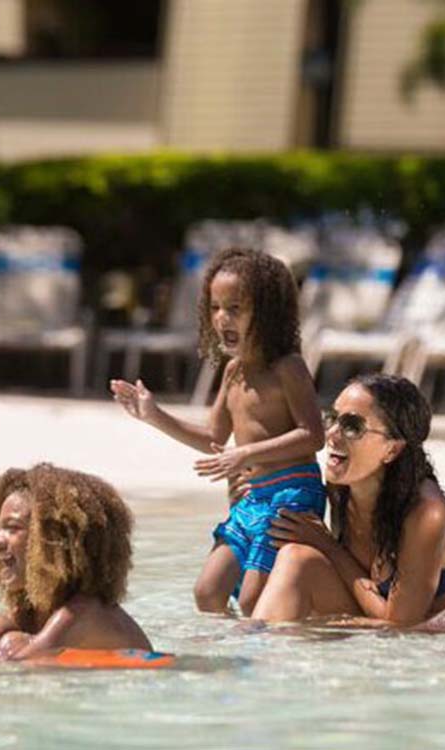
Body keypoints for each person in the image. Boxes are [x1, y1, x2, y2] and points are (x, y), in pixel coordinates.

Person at [111, 247, 325, 616]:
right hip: (250, 498)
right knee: (207, 593)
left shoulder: (288, 368)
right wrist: (154, 415)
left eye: (235, 308)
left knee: (252, 602)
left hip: (291, 494)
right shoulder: (233, 372)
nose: (221, 318)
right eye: (215, 307)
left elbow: (313, 435)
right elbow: (214, 437)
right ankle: (229, 661)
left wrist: (245, 454)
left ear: (267, 312)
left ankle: (265, 656)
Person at [251, 373, 445, 626]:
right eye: (332, 418)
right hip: (381, 624)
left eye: (352, 426)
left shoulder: (426, 512)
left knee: (301, 571)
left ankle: (255, 646)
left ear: (392, 449)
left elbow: (400, 626)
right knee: (295, 557)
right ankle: (251, 648)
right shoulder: (343, 486)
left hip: (441, 644)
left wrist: (328, 545)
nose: (331, 433)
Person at [0, 463, 152, 659]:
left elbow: (15, 667)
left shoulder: (84, 613)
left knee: (9, 643)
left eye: (13, 528)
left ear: (58, 542)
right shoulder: (33, 610)